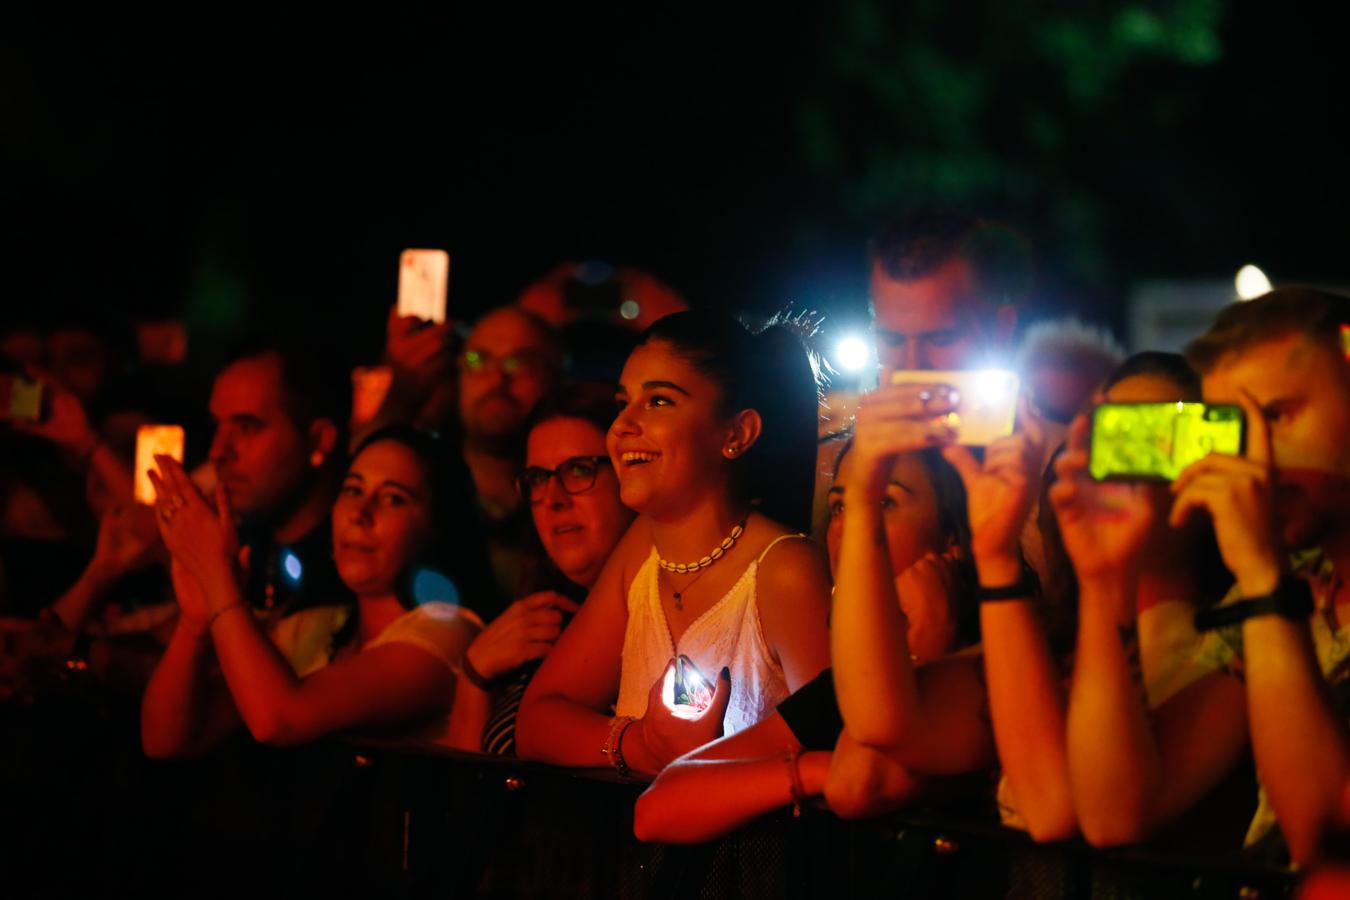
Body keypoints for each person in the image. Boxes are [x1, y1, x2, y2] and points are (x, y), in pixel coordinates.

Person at [1066, 288, 1350, 865]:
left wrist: (1266, 580)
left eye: (1275, 415)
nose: (1255, 458)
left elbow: (1320, 836)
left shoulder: (1270, 583)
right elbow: (1115, 814)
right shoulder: (1290, 583)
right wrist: (1103, 580)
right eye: (1233, 428)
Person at [515, 311, 832, 777]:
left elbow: (833, 753)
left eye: (659, 401)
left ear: (736, 434)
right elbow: (538, 719)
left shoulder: (785, 568)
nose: (622, 424)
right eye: (624, 401)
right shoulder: (644, 545)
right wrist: (638, 745)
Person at [634, 440, 975, 842]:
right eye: (840, 507)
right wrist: (815, 768)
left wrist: (927, 643)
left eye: (883, 502)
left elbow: (864, 778)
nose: (851, 526)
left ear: (952, 537)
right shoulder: (849, 685)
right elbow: (655, 810)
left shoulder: (984, 668)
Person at [141, 425, 493, 756]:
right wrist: (195, 623)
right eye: (353, 490)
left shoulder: (448, 634)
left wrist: (217, 576)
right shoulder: (315, 627)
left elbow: (280, 719)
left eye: (393, 499)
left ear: (437, 526)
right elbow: (166, 741)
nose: (360, 514)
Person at [445, 388, 635, 754]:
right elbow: (464, 797)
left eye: (579, 470)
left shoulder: (667, 619)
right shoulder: (536, 624)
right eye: (537, 477)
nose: (553, 498)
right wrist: (474, 675)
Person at [868, 208, 1019, 376]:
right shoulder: (845, 401)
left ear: (1002, 329)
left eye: (941, 340)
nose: (912, 367)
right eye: (892, 340)